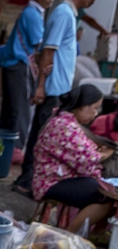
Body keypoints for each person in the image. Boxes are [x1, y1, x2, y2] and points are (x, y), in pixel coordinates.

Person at [14, 0, 101, 195]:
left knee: (43, 135)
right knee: (42, 137)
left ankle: (28, 181)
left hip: (58, 88)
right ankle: (27, 181)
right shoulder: (63, 13)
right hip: (52, 89)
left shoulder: (69, 14)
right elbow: (48, 51)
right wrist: (41, 86)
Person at [33, 85, 116, 232]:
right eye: (94, 108)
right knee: (104, 196)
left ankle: (93, 235)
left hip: (64, 178)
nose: (96, 113)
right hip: (51, 182)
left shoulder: (68, 123)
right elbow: (85, 161)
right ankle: (67, 235)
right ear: (83, 106)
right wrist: (105, 154)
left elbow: (81, 154)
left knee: (107, 191)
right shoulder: (63, 126)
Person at [0, 0, 59, 151]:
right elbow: (40, 44)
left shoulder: (31, 12)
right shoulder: (32, 14)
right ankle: (16, 148)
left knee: (11, 109)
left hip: (13, 65)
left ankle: (5, 148)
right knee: (20, 109)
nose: (51, 0)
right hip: (20, 65)